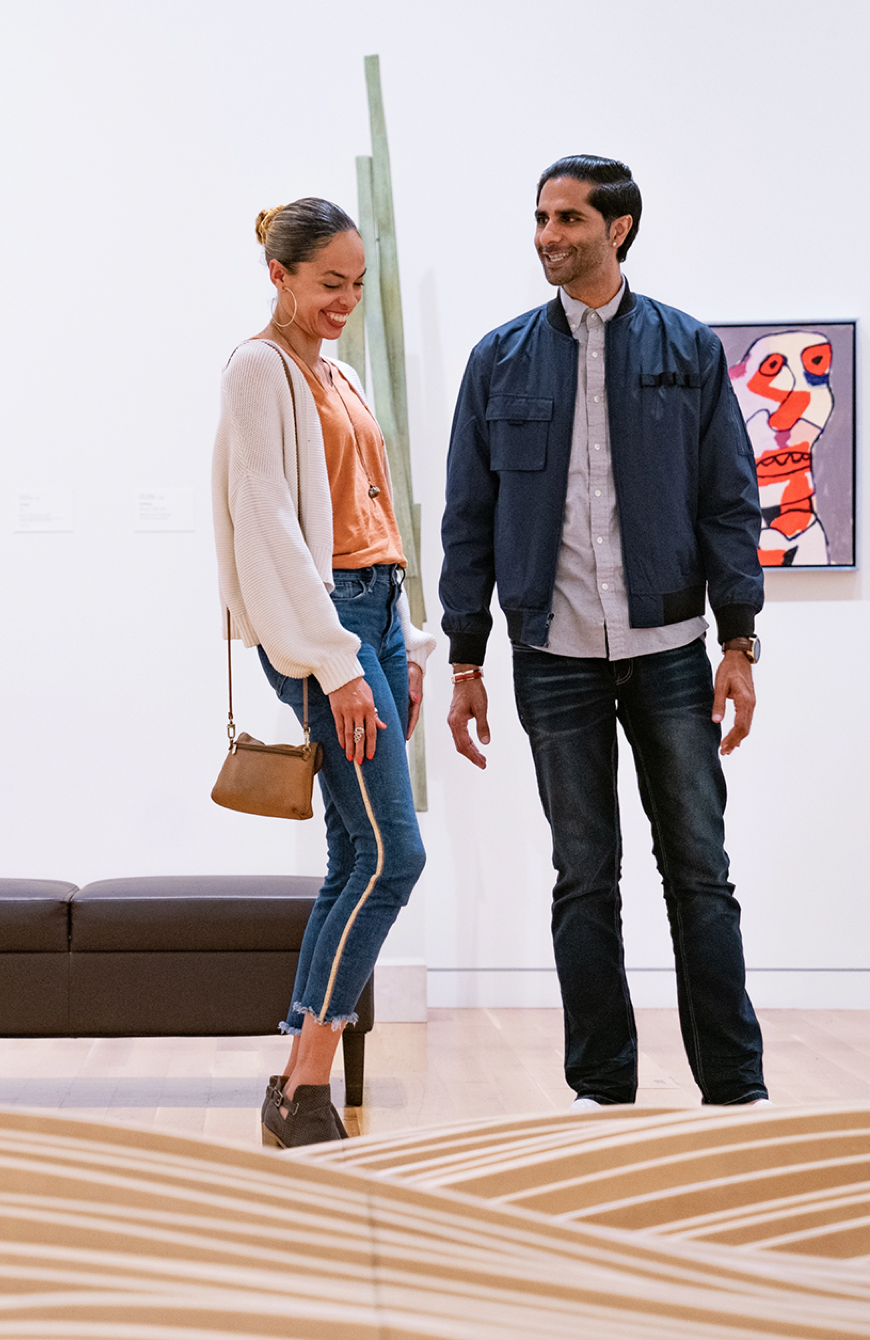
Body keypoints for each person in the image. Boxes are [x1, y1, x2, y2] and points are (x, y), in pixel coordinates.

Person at [439, 156, 770, 1109]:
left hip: (670, 654)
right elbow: (470, 519)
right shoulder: (497, 359)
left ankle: (736, 1090)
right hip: (554, 660)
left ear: (616, 228)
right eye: (541, 218)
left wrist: (739, 642)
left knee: (700, 873)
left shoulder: (688, 349)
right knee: (584, 877)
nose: (547, 235)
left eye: (567, 219)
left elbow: (729, 505)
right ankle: (602, 1092)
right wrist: (468, 656)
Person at [212, 197, 434, 1146]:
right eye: (328, 283)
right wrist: (337, 666)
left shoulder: (333, 374)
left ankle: (295, 1083)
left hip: (374, 614)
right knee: (395, 855)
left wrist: (410, 645)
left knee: (356, 854)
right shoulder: (259, 369)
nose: (346, 299)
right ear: (281, 276)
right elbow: (268, 522)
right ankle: (303, 1081)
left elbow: (375, 509)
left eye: (357, 283)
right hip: (325, 628)